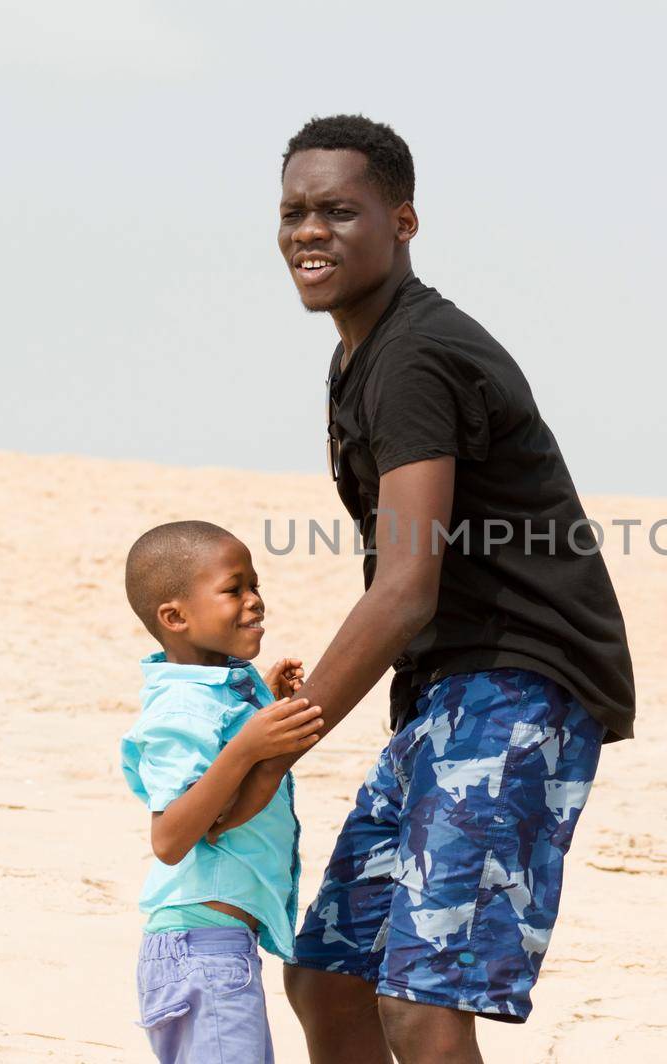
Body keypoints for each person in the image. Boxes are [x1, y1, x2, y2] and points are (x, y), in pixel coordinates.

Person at [218, 113, 637, 1063]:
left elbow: (406, 585)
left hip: (519, 686)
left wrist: (275, 750)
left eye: (338, 210)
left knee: (420, 1003)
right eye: (293, 212)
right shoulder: (359, 356)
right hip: (447, 693)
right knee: (330, 980)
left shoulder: (414, 355)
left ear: (404, 221)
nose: (309, 231)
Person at [118, 520, 323, 1063]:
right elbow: (169, 837)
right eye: (235, 590)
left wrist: (263, 708)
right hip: (201, 950)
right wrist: (246, 747)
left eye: (256, 585)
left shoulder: (223, 691)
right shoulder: (181, 710)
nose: (255, 601)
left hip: (218, 948)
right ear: (176, 617)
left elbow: (228, 792)